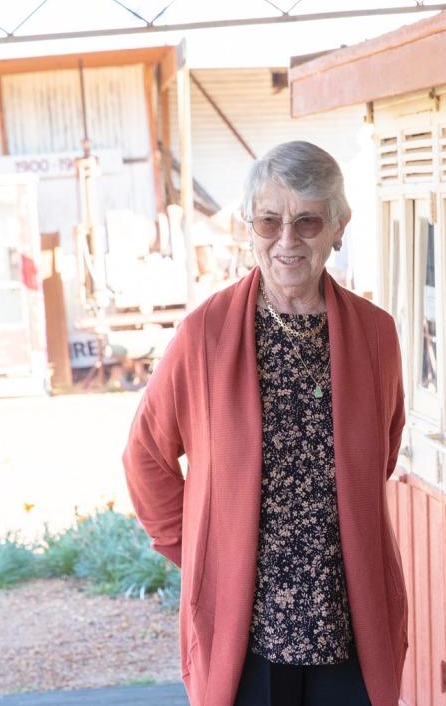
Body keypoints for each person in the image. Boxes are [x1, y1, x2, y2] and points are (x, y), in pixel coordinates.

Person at [122, 141, 407, 706]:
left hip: (348, 617)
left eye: (308, 222)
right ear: (248, 226)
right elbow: (145, 455)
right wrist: (201, 551)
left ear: (339, 226)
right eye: (270, 221)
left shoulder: (376, 333)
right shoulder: (204, 334)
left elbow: (383, 450)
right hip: (245, 628)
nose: (287, 240)